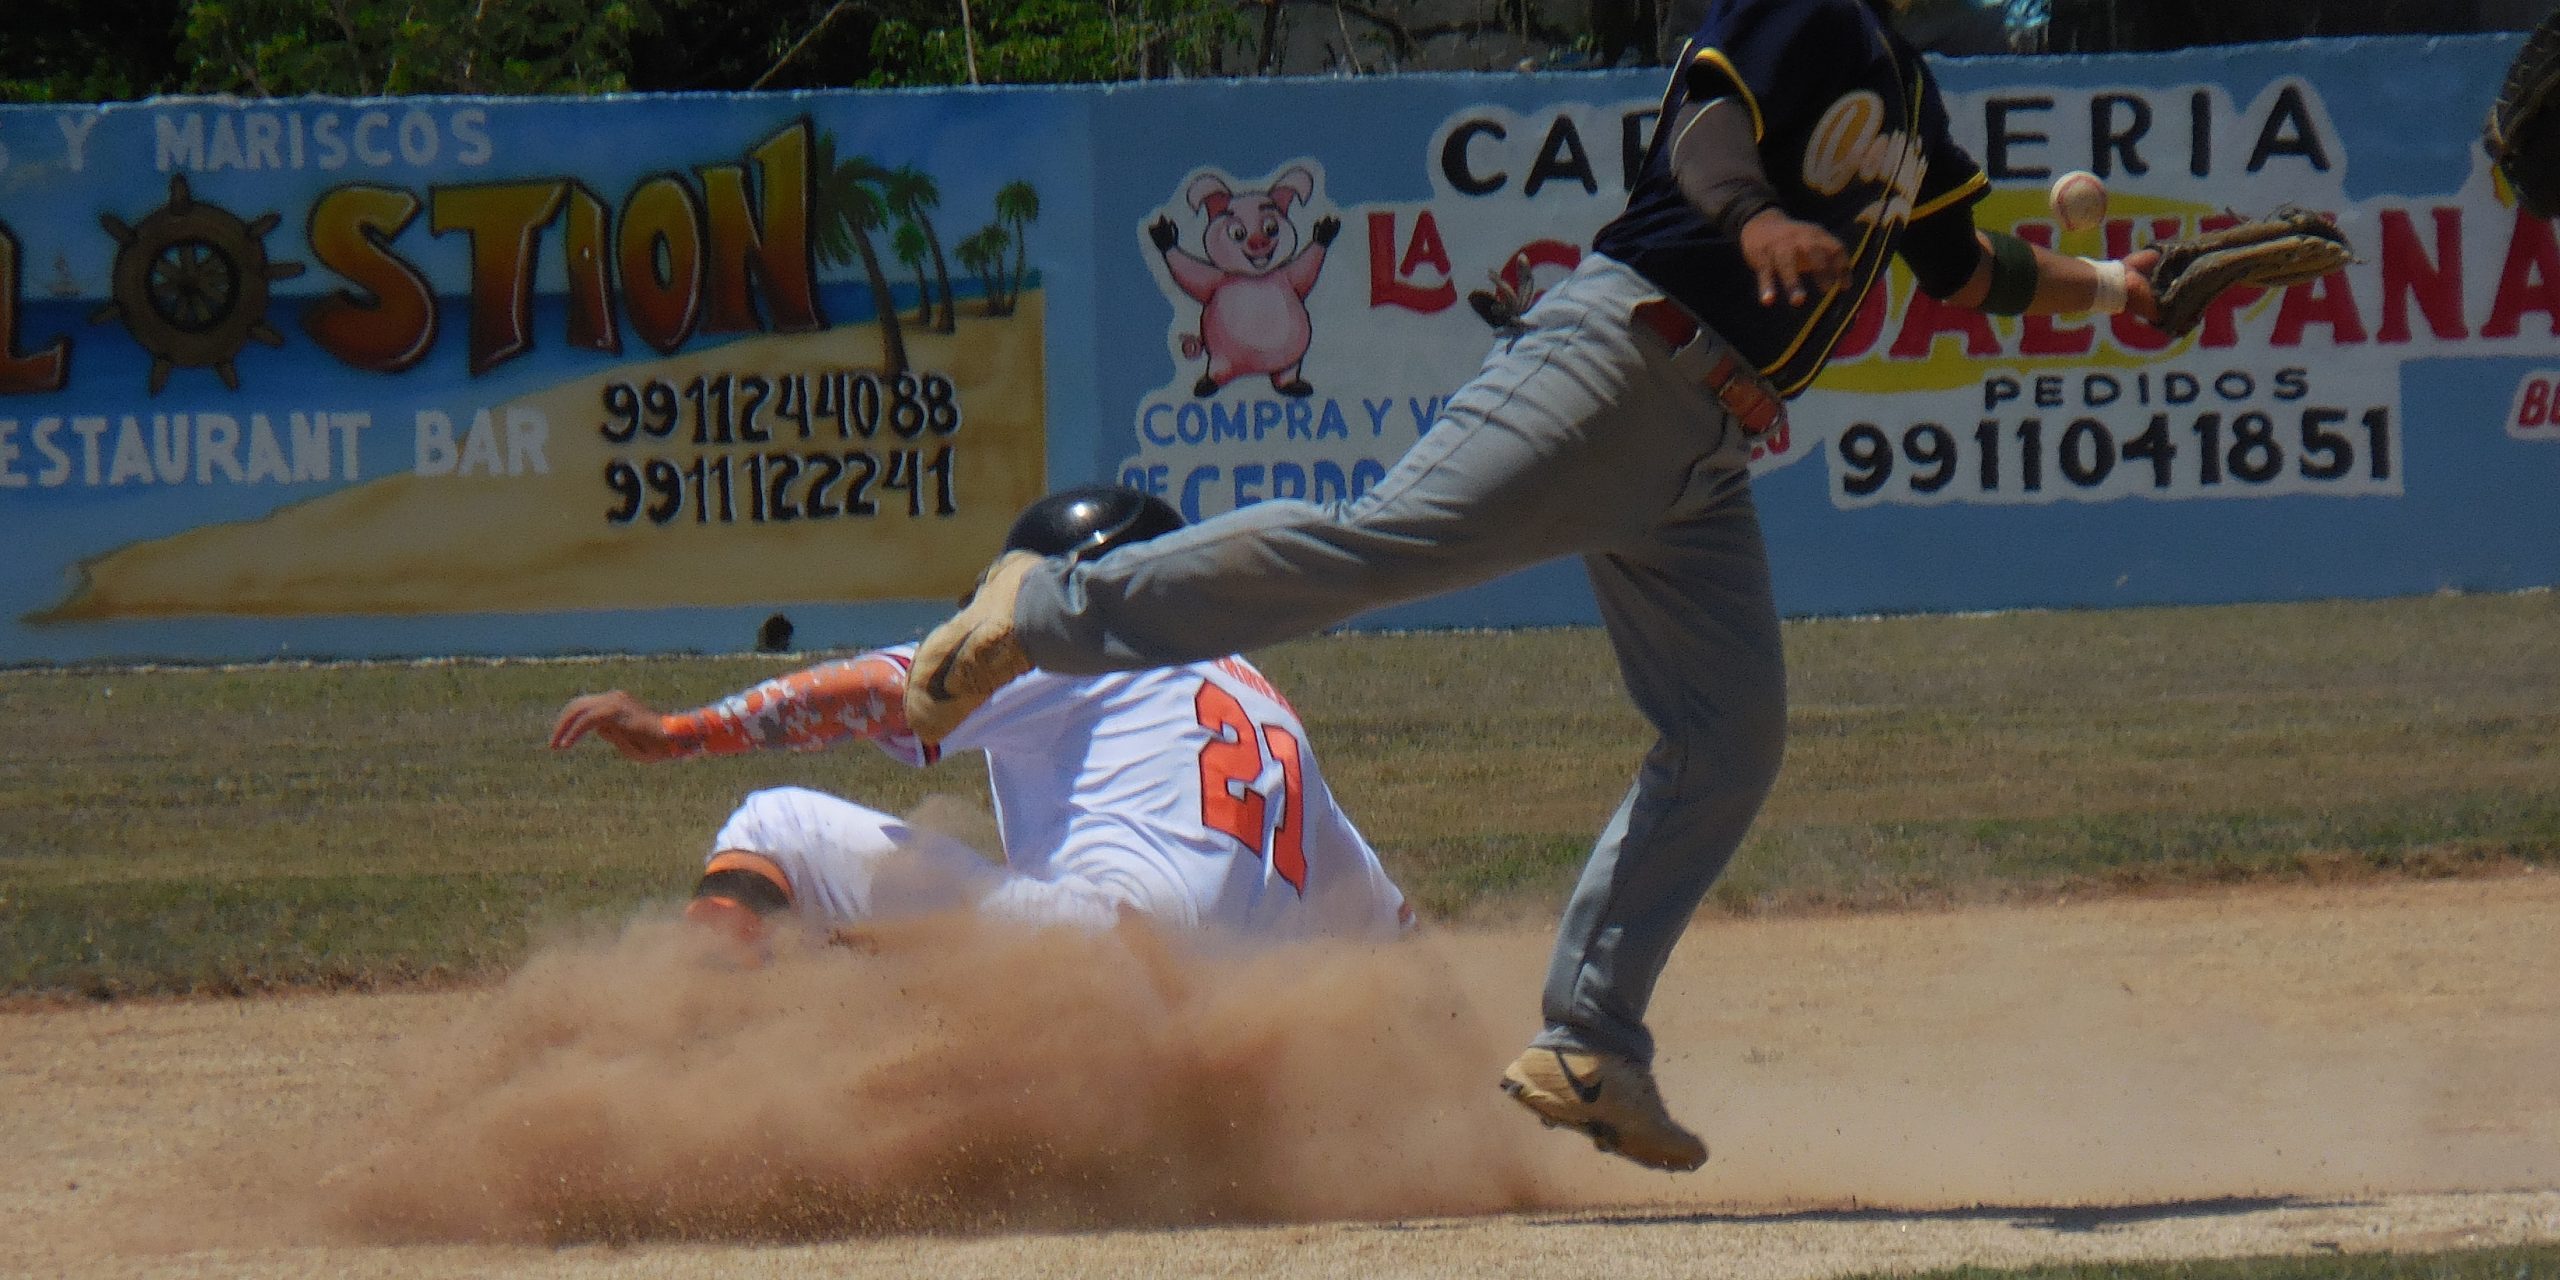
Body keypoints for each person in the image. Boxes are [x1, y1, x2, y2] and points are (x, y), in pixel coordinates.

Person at [905, 0, 2166, 1173]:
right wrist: (1750, 219)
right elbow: (1711, 129)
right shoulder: (1811, 7)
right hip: (1623, 356)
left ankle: (1589, 1038)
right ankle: (1047, 607)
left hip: (1704, 453)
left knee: (1730, 733)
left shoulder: (1908, 84)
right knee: (1381, 540)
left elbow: (1956, 267)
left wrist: (2116, 290)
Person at [549, 485, 1415, 952]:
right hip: (1218, 1035)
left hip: (1097, 960)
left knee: (774, 825)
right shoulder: (1260, 698)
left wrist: (682, 732)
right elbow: (1395, 934)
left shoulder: (1087, 630)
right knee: (948, 925)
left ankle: (686, 1060)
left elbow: (881, 692)